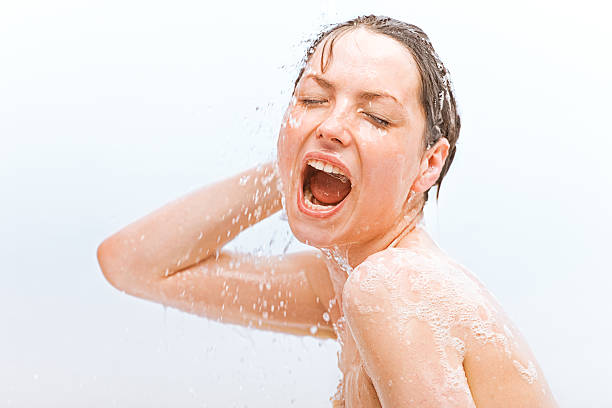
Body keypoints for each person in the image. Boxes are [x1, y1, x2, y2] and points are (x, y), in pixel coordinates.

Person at [97, 15, 558, 407]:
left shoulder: (392, 287)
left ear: (429, 163)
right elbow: (132, 264)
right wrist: (294, 162)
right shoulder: (340, 285)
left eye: (376, 117)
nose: (331, 125)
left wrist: (314, 152)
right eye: (313, 100)